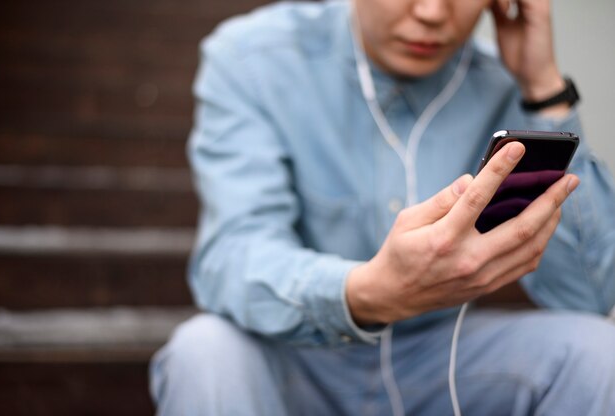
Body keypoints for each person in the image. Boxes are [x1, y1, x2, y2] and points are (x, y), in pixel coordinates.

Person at [150, 0, 615, 414]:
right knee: (204, 351)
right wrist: (367, 292)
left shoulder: (505, 82)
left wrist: (544, 90)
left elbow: (589, 298)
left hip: (444, 359)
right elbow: (232, 256)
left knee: (600, 353)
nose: (433, 12)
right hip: (298, 354)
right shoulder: (253, 59)